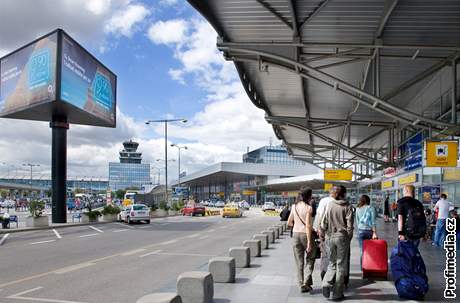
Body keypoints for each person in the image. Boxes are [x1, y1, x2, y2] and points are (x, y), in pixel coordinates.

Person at [320, 185, 354, 301]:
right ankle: (337, 293)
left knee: (332, 263)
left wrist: (323, 235)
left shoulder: (329, 205)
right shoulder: (348, 207)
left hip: (330, 237)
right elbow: (350, 226)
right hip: (342, 237)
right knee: (341, 265)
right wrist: (348, 238)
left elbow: (323, 223)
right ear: (344, 194)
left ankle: (326, 283)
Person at [287, 188, 316, 293]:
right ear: (309, 196)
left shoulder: (293, 206)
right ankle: (306, 282)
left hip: (295, 235)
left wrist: (297, 225)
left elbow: (289, 223)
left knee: (299, 262)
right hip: (305, 234)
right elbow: (308, 225)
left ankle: (301, 283)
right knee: (311, 258)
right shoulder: (309, 208)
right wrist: (309, 242)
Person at [314, 187, 337, 280]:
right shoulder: (336, 202)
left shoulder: (323, 200)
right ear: (335, 194)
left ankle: (324, 271)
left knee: (324, 252)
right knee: (334, 253)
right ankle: (332, 273)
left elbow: (318, 214)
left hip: (322, 229)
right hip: (333, 231)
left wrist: (317, 229)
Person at [355, 194, 378, 267]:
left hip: (361, 231)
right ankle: (370, 266)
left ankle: (363, 268)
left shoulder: (358, 209)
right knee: (370, 251)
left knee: (363, 251)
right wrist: (374, 232)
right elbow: (373, 222)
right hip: (369, 232)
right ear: (368, 201)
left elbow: (357, 221)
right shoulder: (371, 208)